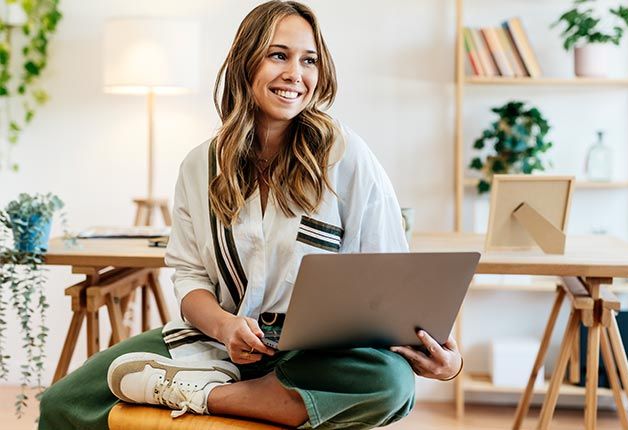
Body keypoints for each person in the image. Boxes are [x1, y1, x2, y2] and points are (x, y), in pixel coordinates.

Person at [39, 1, 463, 429]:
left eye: (308, 60)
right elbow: (190, 280)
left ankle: (210, 397)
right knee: (64, 402)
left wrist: (451, 362)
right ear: (246, 62)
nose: (295, 74)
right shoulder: (198, 166)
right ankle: (220, 386)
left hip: (319, 359)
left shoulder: (345, 155)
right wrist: (225, 328)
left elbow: (390, 275)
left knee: (391, 384)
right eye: (278, 55)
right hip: (216, 348)